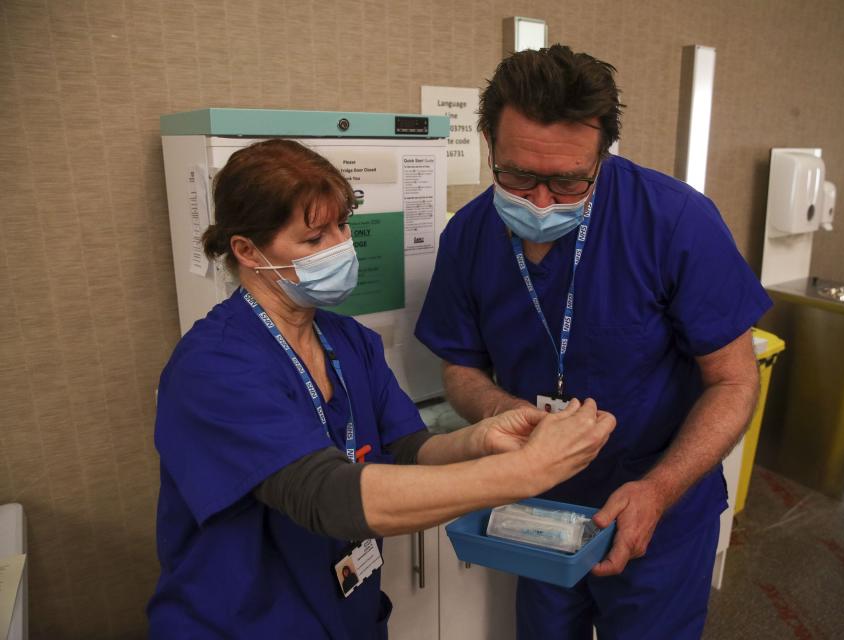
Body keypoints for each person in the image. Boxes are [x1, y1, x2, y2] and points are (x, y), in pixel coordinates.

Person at [147, 139, 617, 638]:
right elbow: (326, 496)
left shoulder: (348, 340)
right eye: (312, 240)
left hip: (347, 613)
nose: (338, 246)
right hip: (245, 623)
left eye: (341, 227)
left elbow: (409, 449)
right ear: (246, 250)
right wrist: (525, 471)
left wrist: (479, 441)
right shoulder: (214, 366)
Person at [415, 45, 772, 639]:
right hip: (537, 504)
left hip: (659, 503)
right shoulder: (470, 236)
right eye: (519, 175)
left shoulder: (675, 222)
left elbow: (734, 380)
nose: (540, 202)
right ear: (486, 141)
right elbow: (461, 367)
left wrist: (658, 490)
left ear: (602, 157)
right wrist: (505, 412)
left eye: (568, 180)